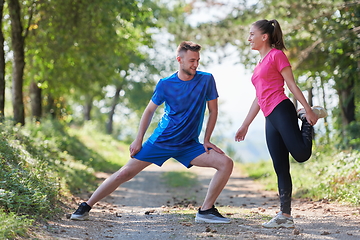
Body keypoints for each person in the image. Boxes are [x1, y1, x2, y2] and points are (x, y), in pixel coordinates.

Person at [70, 41, 233, 224]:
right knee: (125, 173)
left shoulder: (206, 79)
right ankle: (86, 206)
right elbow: (149, 111)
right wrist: (138, 139)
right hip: (162, 141)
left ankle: (205, 210)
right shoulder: (165, 84)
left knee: (226, 163)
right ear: (179, 60)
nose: (195, 64)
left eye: (198, 60)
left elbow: (213, 111)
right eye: (191, 60)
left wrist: (207, 139)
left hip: (188, 145)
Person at [235, 19, 327, 228]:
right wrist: (245, 124)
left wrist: (309, 109)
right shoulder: (258, 65)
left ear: (264, 37)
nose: (249, 38)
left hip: (282, 108)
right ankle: (285, 216)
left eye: (252, 34)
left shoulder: (276, 55)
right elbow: (258, 98)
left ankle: (304, 119)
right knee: (280, 167)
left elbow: (291, 85)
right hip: (269, 116)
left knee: (301, 155)